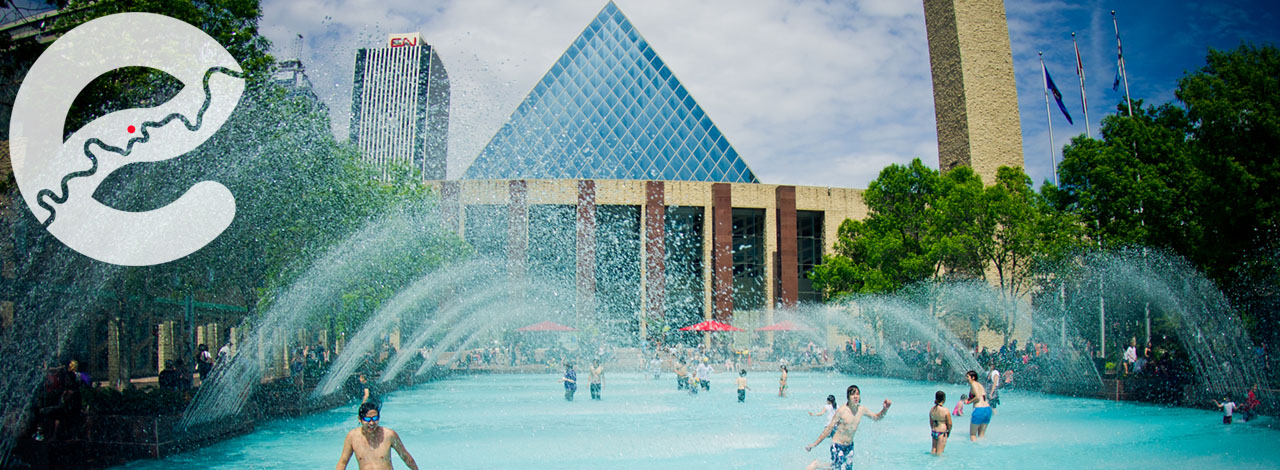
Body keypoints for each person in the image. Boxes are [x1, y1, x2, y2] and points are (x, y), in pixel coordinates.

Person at [804, 385, 891, 470]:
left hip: (849, 446)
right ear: (848, 397)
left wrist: (885, 409)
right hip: (837, 444)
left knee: (846, 468)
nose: (855, 396)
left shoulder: (861, 409)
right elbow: (828, 429)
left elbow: (876, 417)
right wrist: (814, 444)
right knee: (837, 467)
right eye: (852, 394)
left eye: (857, 394)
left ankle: (818, 464)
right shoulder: (842, 411)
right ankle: (817, 465)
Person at [336, 401, 418, 470]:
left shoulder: (389, 435)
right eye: (367, 419)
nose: (371, 423)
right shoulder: (352, 437)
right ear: (359, 419)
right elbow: (342, 463)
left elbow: (406, 458)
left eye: (375, 419)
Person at [965, 370, 992, 441]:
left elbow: (977, 397)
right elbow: (982, 396)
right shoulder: (979, 385)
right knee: (981, 435)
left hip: (979, 410)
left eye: (967, 376)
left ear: (973, 377)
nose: (966, 378)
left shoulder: (973, 384)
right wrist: (969, 399)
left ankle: (973, 451)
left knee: (973, 435)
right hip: (987, 409)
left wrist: (968, 402)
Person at [930, 390, 952, 455]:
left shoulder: (932, 409)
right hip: (942, 432)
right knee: (939, 453)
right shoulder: (945, 410)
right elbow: (950, 423)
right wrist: (949, 431)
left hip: (934, 431)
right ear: (944, 399)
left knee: (933, 450)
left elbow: (931, 422)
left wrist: (933, 428)